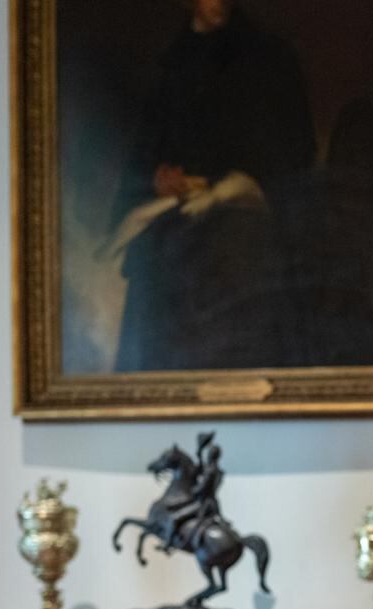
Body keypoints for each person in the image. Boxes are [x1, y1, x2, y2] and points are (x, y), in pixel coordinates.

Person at [108, 0, 316, 372]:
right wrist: (158, 179)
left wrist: (234, 184)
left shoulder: (271, 58)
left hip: (244, 245)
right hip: (171, 244)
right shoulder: (171, 67)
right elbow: (144, 161)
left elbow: (295, 156)